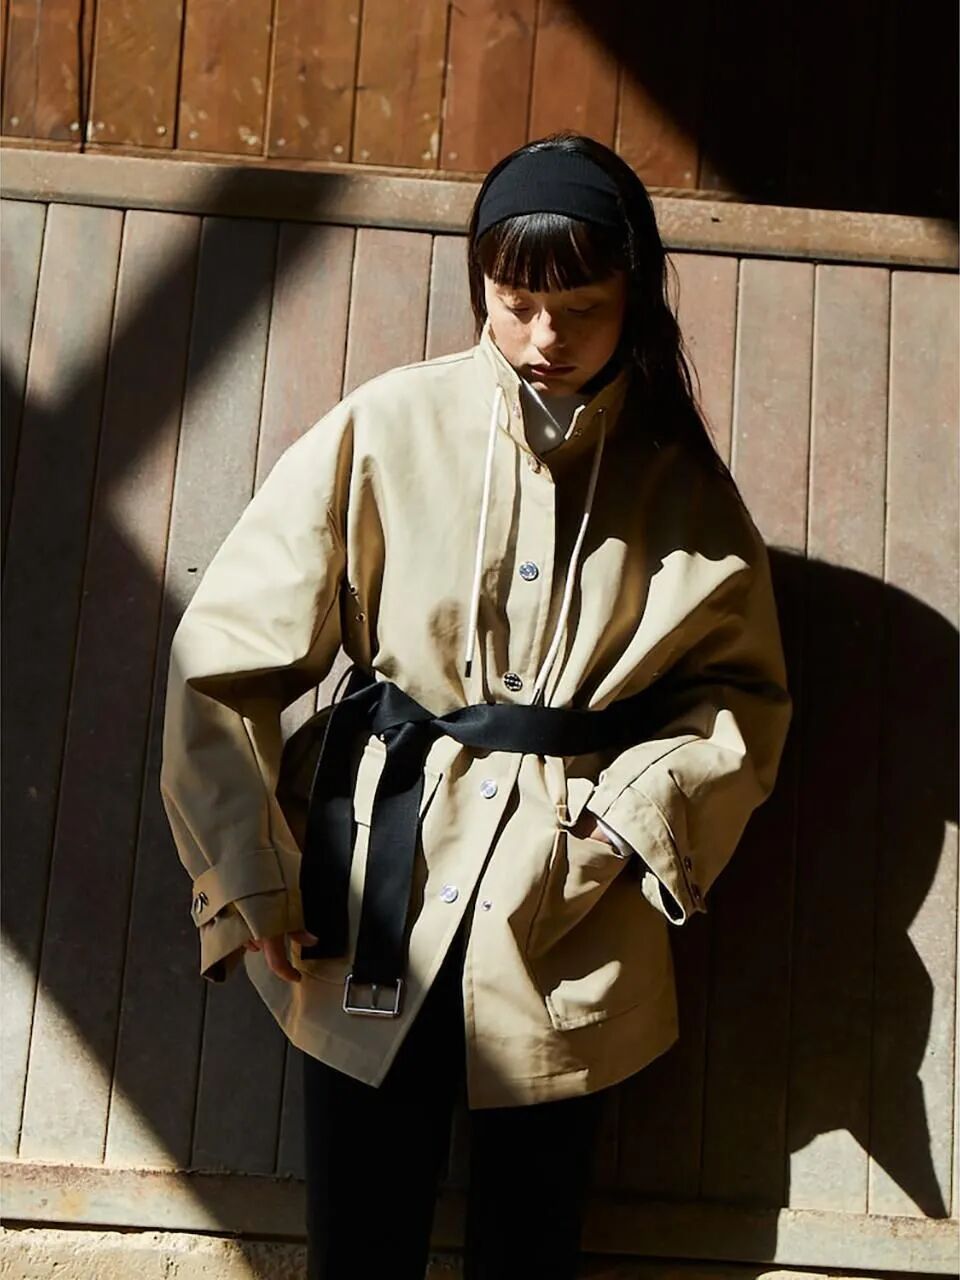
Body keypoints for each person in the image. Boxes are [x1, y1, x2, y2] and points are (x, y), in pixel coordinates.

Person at [159, 131, 792, 1278]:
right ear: (481, 286)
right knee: (359, 1240)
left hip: (570, 904)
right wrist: (247, 867)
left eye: (582, 309)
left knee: (530, 1246)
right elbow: (225, 654)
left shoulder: (680, 482)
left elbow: (740, 698)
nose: (545, 336)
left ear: (635, 296)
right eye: (515, 303)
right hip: (369, 884)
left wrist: (630, 822)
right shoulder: (386, 425)